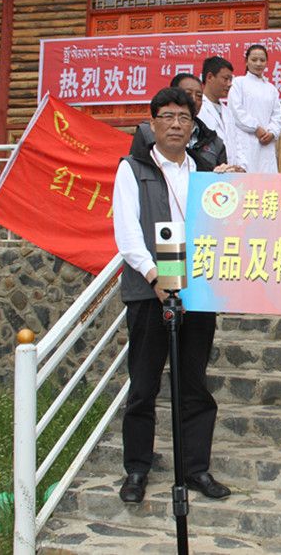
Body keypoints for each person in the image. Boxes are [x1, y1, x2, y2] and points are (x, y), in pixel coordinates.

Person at [113, 87, 231, 504]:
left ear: (193, 126)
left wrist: (233, 186)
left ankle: (196, 468)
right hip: (149, 292)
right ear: (152, 123)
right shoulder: (133, 169)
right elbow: (127, 233)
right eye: (167, 117)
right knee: (144, 384)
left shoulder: (204, 170)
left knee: (194, 383)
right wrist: (153, 277)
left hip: (196, 289)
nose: (176, 125)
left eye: (184, 118)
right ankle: (136, 470)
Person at [129, 73, 240, 172]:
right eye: (188, 94)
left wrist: (229, 175)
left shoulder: (214, 141)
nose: (194, 100)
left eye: (199, 96)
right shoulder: (146, 131)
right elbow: (136, 168)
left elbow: (218, 182)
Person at [228, 44, 281, 173]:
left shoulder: (271, 89)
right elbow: (236, 111)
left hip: (266, 145)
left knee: (266, 180)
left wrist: (272, 132)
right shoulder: (238, 83)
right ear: (246, 61)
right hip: (245, 142)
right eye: (254, 60)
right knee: (245, 178)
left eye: (262, 60)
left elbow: (277, 115)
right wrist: (256, 127)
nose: (258, 63)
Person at [198, 56, 247, 171]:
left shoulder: (227, 111)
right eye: (226, 79)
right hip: (209, 171)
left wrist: (241, 167)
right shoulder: (199, 109)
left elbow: (237, 143)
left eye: (231, 80)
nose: (229, 84)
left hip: (230, 173)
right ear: (210, 77)